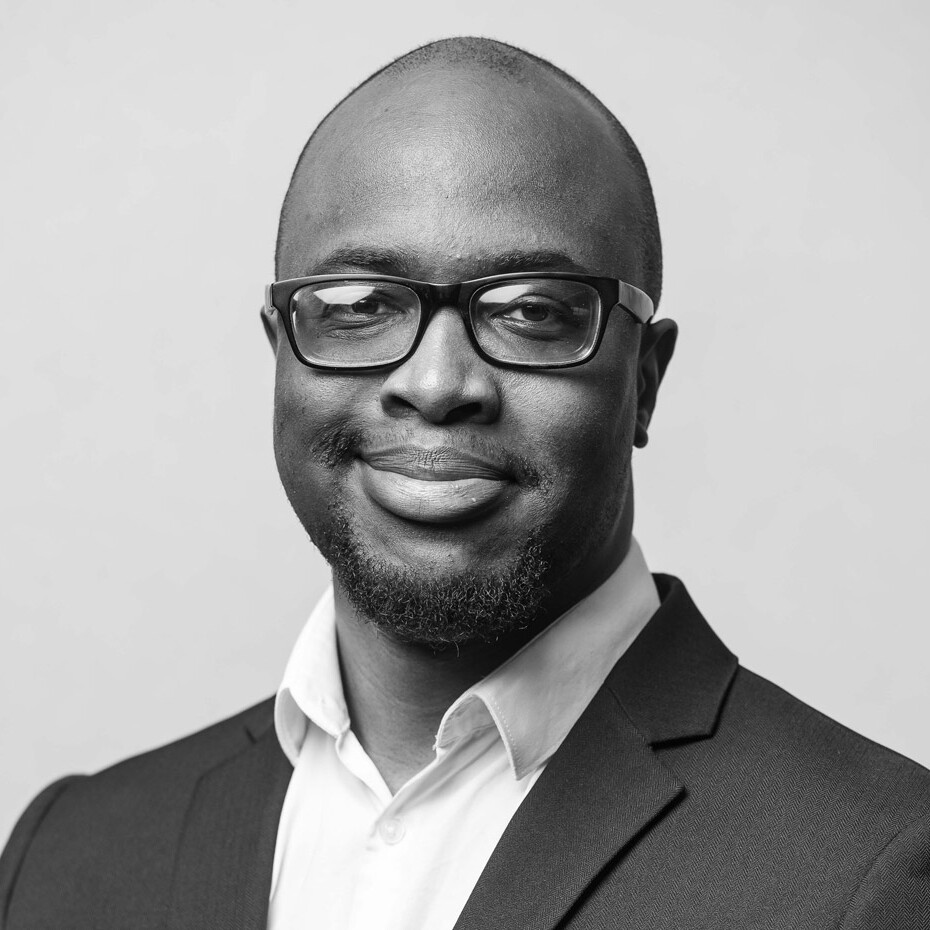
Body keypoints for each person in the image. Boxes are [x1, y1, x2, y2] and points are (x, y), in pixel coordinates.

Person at [2, 35, 928, 930]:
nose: (439, 385)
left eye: (532, 311)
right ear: (281, 355)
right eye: (361, 304)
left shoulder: (875, 872)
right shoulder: (68, 856)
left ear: (643, 379)